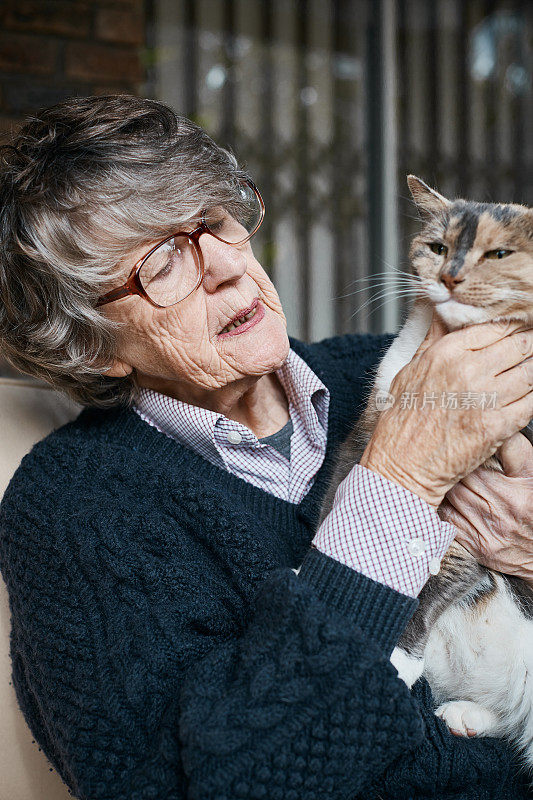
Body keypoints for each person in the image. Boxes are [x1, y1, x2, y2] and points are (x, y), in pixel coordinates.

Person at [0, 95, 532, 800]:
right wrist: (399, 476)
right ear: (94, 348)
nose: (226, 265)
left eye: (218, 220)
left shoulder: (415, 367)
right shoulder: (71, 507)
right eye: (161, 263)